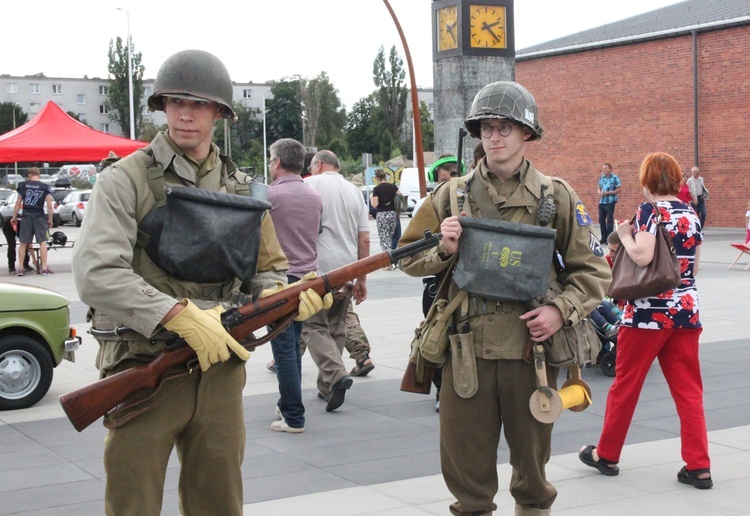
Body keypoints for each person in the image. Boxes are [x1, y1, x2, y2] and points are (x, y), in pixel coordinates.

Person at [72, 49, 328, 515]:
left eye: (200, 104)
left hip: (219, 370)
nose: (185, 113)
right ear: (162, 106)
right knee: (134, 503)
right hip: (143, 365)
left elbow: (266, 269)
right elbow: (96, 272)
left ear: (219, 113)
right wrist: (177, 314)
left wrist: (281, 298)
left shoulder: (243, 188)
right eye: (175, 102)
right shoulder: (125, 180)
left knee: (219, 502)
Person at [399, 81, 611, 516]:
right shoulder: (450, 195)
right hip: (465, 356)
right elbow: (407, 258)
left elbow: (593, 271)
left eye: (505, 127)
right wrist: (444, 247)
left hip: (529, 355)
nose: (493, 137)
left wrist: (559, 310)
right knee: (468, 483)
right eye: (486, 128)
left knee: (532, 479)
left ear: (526, 133)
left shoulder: (557, 196)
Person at [579, 152, 712, 489]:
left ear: (647, 180)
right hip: (686, 313)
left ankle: (606, 455)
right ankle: (699, 466)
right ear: (678, 178)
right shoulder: (691, 213)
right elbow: (693, 268)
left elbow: (642, 255)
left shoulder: (648, 212)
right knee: (689, 391)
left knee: (626, 386)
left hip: (646, 316)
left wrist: (624, 234)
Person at [302, 150, 370, 411]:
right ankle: (327, 385)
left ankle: (336, 374)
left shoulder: (309, 185)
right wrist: (361, 277)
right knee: (337, 327)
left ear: (318, 165)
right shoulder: (354, 191)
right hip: (347, 268)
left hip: (316, 270)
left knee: (312, 326)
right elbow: (364, 238)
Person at [266, 138, 324, 433]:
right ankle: (286, 403)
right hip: (308, 279)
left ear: (276, 162)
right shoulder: (313, 195)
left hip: (279, 280)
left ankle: (292, 414)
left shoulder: (270, 196)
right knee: (294, 342)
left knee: (283, 348)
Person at [11, 167, 53, 276]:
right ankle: (44, 268)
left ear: (30, 174)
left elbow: (17, 203)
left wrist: (14, 217)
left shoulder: (23, 186)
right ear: (38, 175)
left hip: (26, 216)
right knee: (42, 241)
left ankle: (20, 268)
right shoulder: (45, 187)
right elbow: (49, 205)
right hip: (39, 216)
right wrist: (50, 219)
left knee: (23, 243)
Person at [370, 168, 400, 267]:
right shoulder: (393, 186)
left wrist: (371, 198)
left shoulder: (376, 189)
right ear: (386, 176)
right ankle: (392, 260)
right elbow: (401, 196)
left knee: (384, 238)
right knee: (391, 237)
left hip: (382, 214)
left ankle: (388, 262)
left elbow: (374, 204)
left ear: (376, 178)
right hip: (392, 214)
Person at [597, 162, 622, 242]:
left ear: (610, 169)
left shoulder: (615, 178)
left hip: (610, 202)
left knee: (609, 221)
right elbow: (599, 187)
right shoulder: (602, 177)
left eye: (605, 169)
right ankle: (603, 238)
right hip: (602, 202)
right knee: (601, 220)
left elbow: (619, 189)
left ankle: (609, 239)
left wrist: (607, 193)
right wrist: (599, 192)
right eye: (603, 169)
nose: (604, 170)